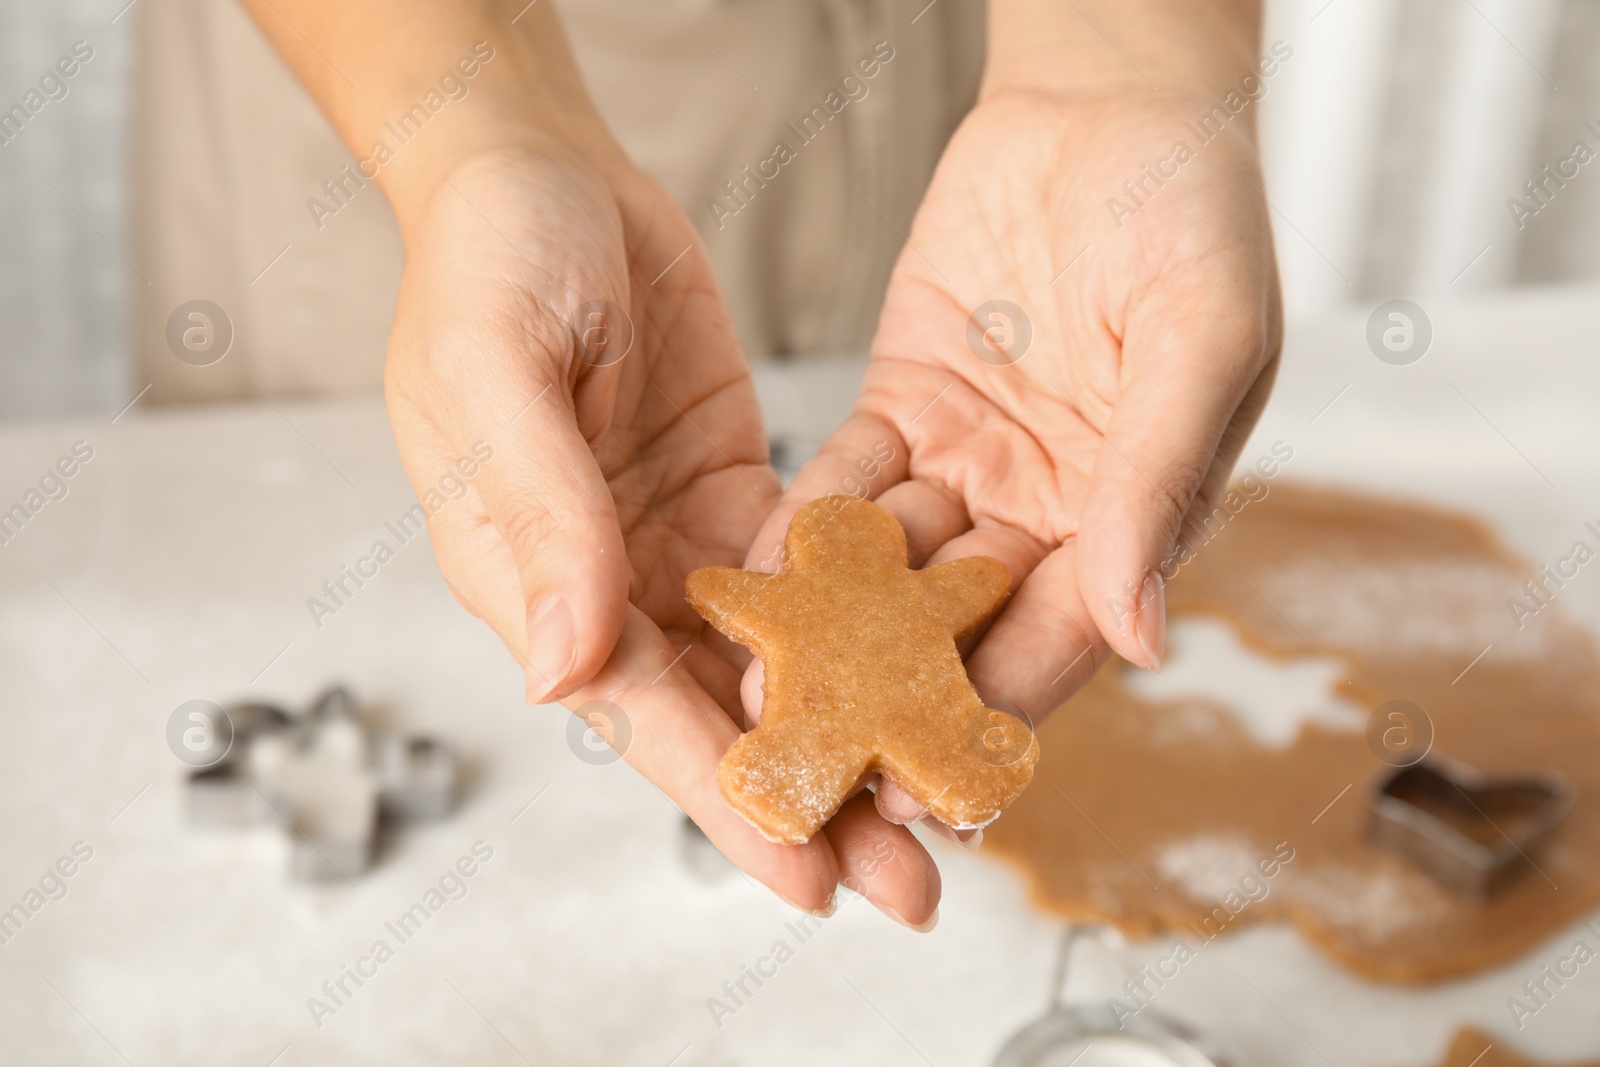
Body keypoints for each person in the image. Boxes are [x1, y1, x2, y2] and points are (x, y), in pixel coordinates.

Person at [240, 0, 1282, 932]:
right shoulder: (851, 603)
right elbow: (777, 593)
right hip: (426, 69)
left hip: (958, 130)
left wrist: (1119, 63)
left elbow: (897, 584)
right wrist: (486, 141)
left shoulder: (875, 599)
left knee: (890, 746)